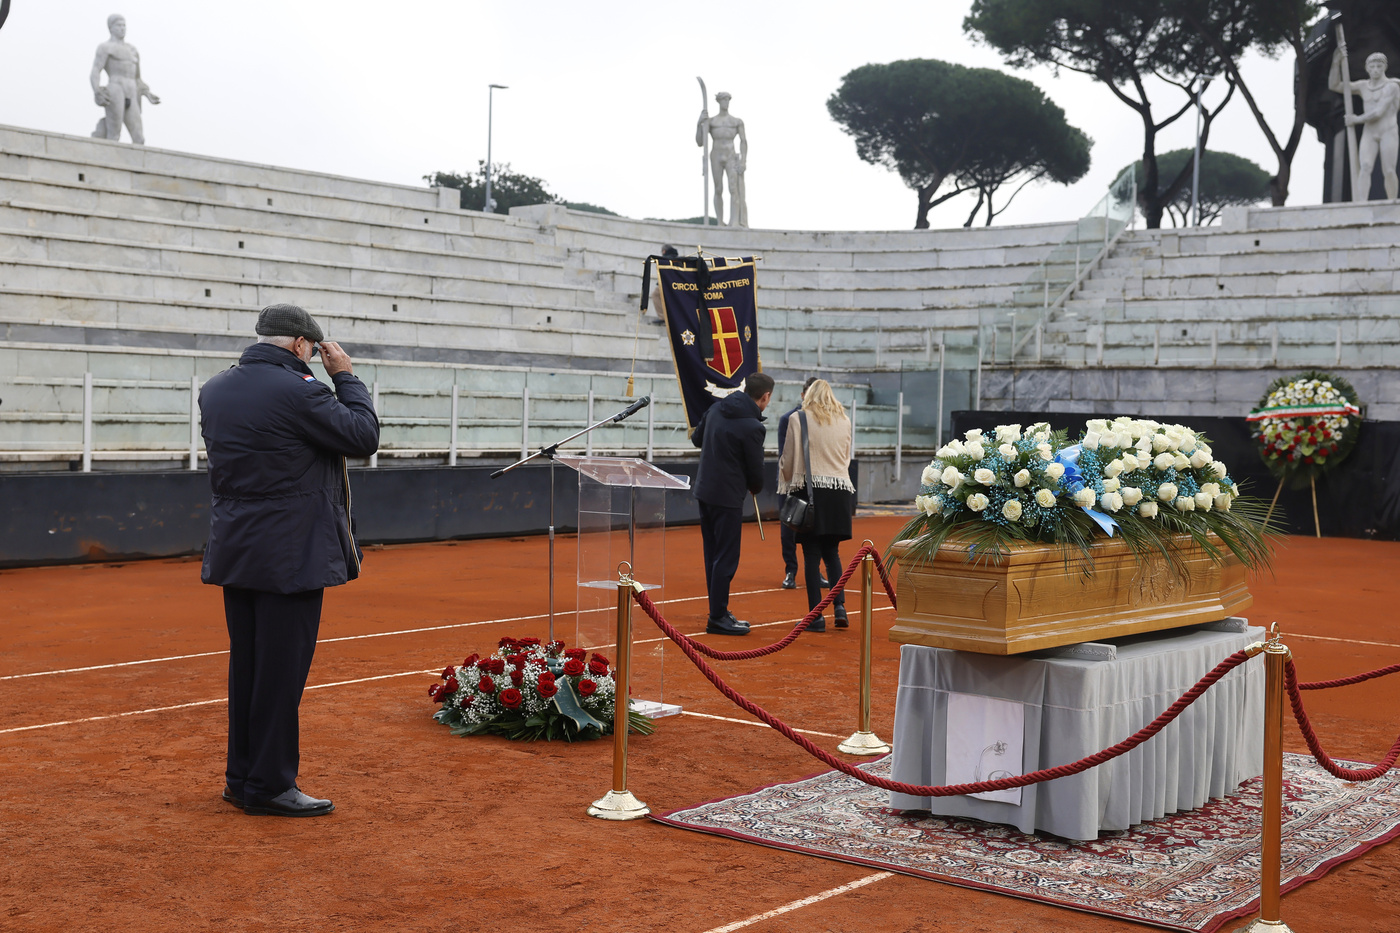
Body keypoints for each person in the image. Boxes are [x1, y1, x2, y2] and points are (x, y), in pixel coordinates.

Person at [200, 304, 380, 817]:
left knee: (250, 668)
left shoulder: (216, 387)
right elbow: (363, 437)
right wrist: (345, 377)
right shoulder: (300, 390)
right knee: (280, 675)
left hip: (238, 548)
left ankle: (242, 778)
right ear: (302, 345)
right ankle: (271, 785)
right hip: (290, 553)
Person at [690, 372, 774, 635]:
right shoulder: (753, 426)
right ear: (765, 397)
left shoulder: (716, 409)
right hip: (727, 498)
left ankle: (718, 610)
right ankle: (717, 617)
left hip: (705, 491)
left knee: (712, 555)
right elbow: (756, 472)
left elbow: (696, 440)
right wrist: (755, 487)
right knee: (726, 558)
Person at [778, 379, 854, 633]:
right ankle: (840, 607)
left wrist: (786, 479)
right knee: (832, 553)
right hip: (840, 491)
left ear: (808, 395)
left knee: (811, 556)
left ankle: (816, 616)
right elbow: (847, 457)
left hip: (810, 490)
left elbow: (788, 459)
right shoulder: (844, 420)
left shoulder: (798, 418)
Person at [1338, 52, 1400, 201]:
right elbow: (1335, 86)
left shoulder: (1392, 86)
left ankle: (1392, 204)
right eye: (1372, 66)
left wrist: (1356, 119)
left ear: (1384, 67)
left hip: (1388, 131)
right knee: (1365, 167)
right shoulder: (1363, 86)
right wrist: (1336, 62)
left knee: (1389, 170)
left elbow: (1379, 112)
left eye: (1379, 66)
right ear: (1367, 68)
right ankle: (1361, 204)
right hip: (1369, 132)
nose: (1376, 69)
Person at [90, 14, 160, 145]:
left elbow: (137, 78)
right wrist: (97, 89)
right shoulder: (105, 47)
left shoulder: (132, 50)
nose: (122, 28)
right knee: (114, 133)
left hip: (132, 90)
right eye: (119, 25)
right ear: (111, 28)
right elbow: (95, 70)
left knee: (139, 137)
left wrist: (147, 93)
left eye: (124, 25)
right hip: (116, 87)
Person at [776, 377, 817, 589]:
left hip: (815, 481)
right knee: (788, 528)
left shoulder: (824, 420)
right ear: (802, 395)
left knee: (815, 528)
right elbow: (785, 452)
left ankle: (815, 571)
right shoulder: (788, 419)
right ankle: (790, 571)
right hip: (791, 481)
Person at [696, 92, 748, 227]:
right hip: (716, 156)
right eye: (724, 100)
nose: (726, 102)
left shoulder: (736, 122)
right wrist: (699, 123)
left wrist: (743, 161)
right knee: (718, 189)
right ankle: (720, 222)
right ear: (719, 101)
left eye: (728, 100)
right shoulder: (712, 121)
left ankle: (735, 221)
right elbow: (700, 142)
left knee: (733, 189)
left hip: (731, 156)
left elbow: (743, 141)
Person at [647, 245, 679, 325]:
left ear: (664, 251)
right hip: (678, 285)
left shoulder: (664, 259)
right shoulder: (678, 259)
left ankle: (663, 317)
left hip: (667, 284)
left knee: (655, 294)